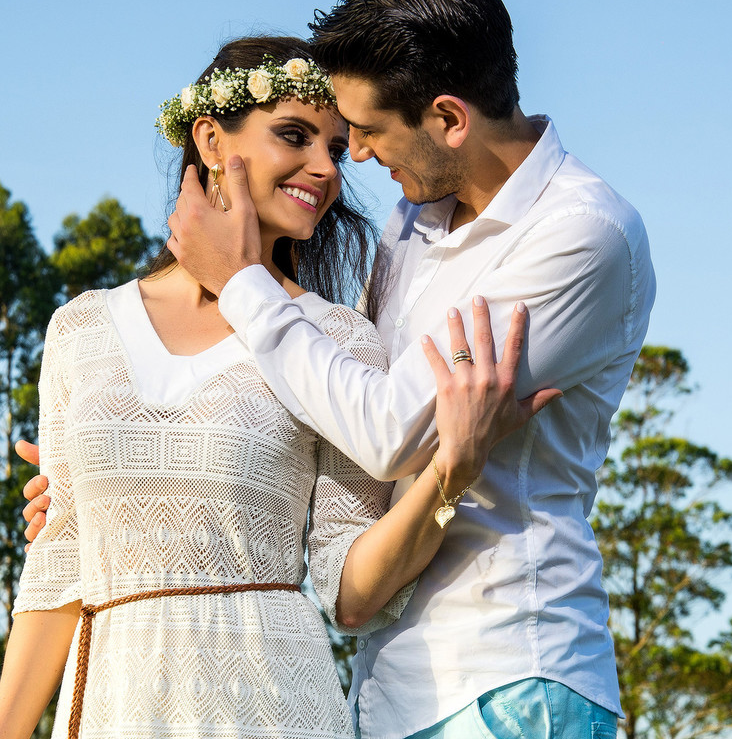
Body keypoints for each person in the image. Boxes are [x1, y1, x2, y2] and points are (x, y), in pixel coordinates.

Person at [3, 36, 552, 739]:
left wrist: (449, 474)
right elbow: (55, 572)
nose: (324, 168)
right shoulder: (79, 331)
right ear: (209, 137)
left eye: (336, 145)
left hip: (275, 702)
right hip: (117, 698)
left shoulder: (339, 343)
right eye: (294, 136)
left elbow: (350, 588)